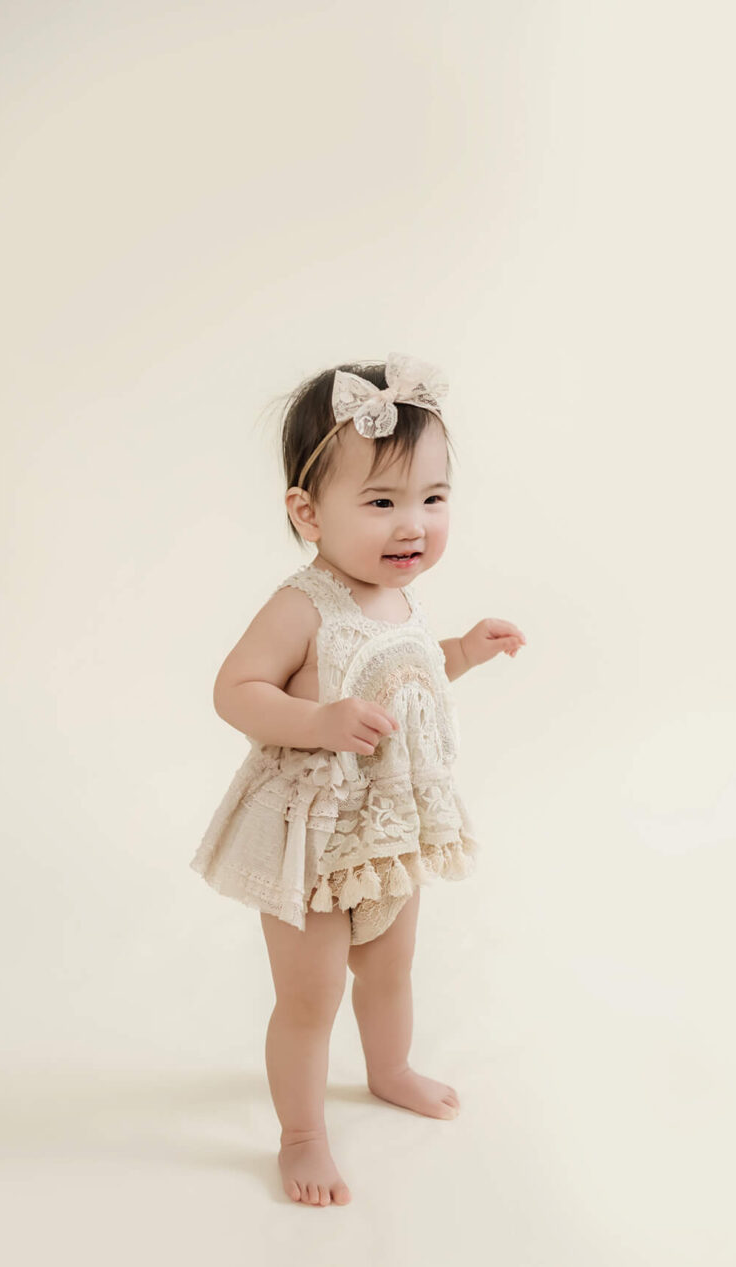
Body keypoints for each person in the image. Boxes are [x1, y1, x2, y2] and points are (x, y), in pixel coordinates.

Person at [191, 353, 526, 1207]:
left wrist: (463, 651)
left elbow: (404, 671)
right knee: (311, 995)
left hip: (386, 827)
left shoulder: (398, 596)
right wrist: (318, 721)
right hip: (311, 835)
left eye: (433, 498)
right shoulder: (304, 604)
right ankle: (301, 1134)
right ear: (308, 512)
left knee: (390, 967)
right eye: (382, 502)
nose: (413, 525)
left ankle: (390, 1067)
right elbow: (235, 689)